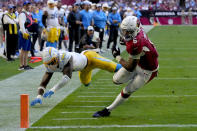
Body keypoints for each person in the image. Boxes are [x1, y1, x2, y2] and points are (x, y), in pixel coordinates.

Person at [93, 16, 159, 117]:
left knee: (127, 91)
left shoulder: (135, 44)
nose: (124, 33)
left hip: (147, 71)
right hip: (141, 62)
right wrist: (125, 40)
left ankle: (107, 110)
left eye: (127, 31)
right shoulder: (137, 27)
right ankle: (132, 77)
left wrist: (117, 57)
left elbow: (130, 67)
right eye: (124, 31)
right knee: (116, 80)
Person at [30, 47, 122, 106]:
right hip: (83, 68)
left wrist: (53, 90)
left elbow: (67, 77)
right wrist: (39, 96)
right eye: (48, 63)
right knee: (86, 83)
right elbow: (43, 83)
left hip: (90, 58)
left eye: (52, 62)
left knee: (115, 67)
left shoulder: (65, 57)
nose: (51, 65)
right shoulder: (50, 65)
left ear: (57, 57)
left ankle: (132, 70)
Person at [18, 1, 34, 70]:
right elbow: (21, 24)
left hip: (28, 32)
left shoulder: (28, 13)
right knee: (23, 49)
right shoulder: (22, 14)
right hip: (24, 33)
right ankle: (21, 65)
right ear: (24, 6)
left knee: (27, 49)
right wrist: (24, 33)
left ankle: (25, 64)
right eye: (27, 5)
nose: (28, 6)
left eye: (29, 5)